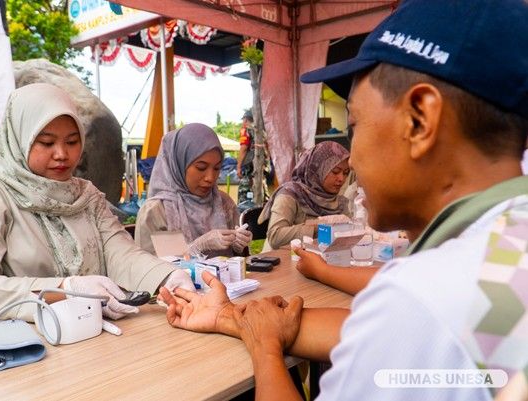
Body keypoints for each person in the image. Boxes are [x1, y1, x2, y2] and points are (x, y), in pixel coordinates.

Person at [159, 0, 528, 400]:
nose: (350, 162)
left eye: (353, 125)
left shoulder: (425, 299)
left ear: (420, 121)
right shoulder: (496, 252)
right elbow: (382, 332)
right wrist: (232, 317)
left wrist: (264, 349)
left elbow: (404, 321)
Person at [0, 83, 194, 323]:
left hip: (85, 333)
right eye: (46, 142)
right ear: (20, 139)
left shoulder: (85, 196)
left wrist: (167, 276)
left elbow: (120, 253)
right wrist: (64, 289)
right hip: (14, 348)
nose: (62, 154)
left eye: (72, 142)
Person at [135, 123, 252, 258]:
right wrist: (197, 246)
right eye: (201, 167)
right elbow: (151, 268)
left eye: (217, 168)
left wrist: (238, 244)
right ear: (179, 164)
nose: (210, 178)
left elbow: (240, 259)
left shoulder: (223, 203)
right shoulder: (157, 211)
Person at [258, 140, 352, 251]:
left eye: (346, 173)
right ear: (317, 169)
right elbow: (275, 237)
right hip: (282, 261)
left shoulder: (338, 201)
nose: (341, 179)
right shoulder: (290, 194)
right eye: (335, 172)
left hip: (321, 261)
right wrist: (320, 227)